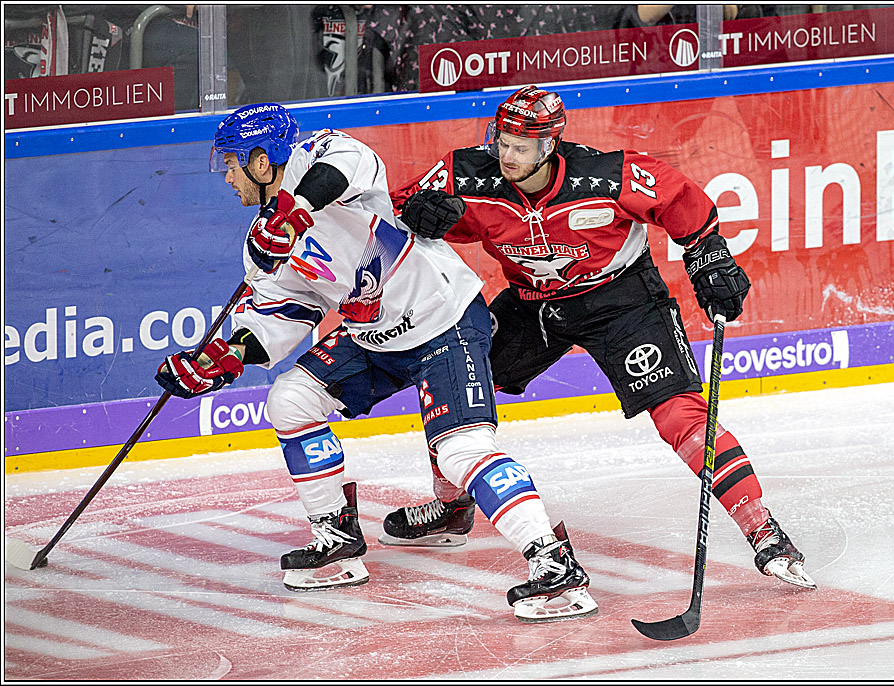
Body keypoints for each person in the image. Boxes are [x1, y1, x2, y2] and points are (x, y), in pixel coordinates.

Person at [154, 102, 598, 622]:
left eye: (231, 163)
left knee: (460, 451)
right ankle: (336, 536)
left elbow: (348, 164)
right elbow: (287, 312)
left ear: (260, 160)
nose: (227, 177)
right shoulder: (261, 248)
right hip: (374, 337)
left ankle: (554, 565)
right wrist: (227, 356)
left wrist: (293, 212)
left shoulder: (320, 157)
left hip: (442, 318)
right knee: (290, 399)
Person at [387, 86, 815, 589]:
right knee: (448, 377)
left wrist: (709, 255)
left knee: (679, 414)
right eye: (500, 141)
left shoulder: (607, 175)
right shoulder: (466, 172)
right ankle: (452, 509)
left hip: (621, 302)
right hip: (530, 303)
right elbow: (399, 206)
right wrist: (415, 214)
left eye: (519, 147)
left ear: (550, 146)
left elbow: (683, 202)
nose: (505, 155)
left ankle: (762, 531)